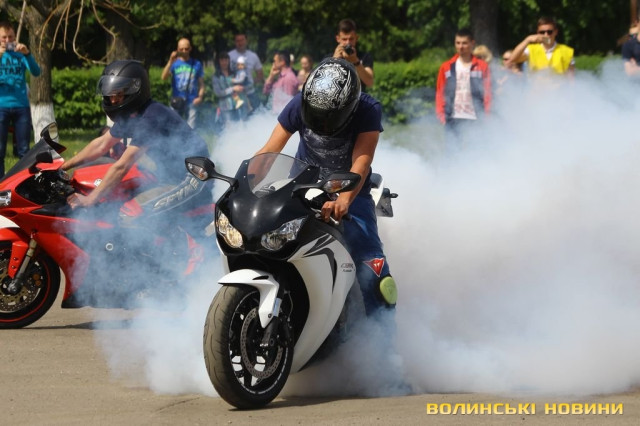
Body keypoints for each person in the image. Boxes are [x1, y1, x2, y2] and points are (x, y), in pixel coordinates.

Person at [255, 58, 397, 319]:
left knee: (373, 268)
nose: (320, 123)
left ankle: (385, 338)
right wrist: (243, 185)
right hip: (301, 185)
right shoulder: (300, 102)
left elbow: (362, 161)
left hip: (351, 191)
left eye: (328, 117)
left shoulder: (368, 109)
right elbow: (269, 151)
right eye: (315, 115)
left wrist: (344, 199)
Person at [62, 60, 210, 217]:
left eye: (118, 94)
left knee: (128, 214)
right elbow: (101, 145)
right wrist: (63, 167)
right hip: (166, 176)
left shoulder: (152, 116)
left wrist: (89, 200)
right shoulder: (132, 115)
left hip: (193, 178)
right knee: (115, 200)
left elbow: (122, 166)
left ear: (134, 92)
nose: (113, 100)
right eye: (110, 94)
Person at [0, 21, 41, 177]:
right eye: (4, 37)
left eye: (11, 37)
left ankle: (23, 182)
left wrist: (27, 54)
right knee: (0, 150)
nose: (8, 40)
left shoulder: (20, 54)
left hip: (21, 106)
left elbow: (36, 72)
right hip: (1, 106)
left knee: (24, 150)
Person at [435, 28, 491, 140]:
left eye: (464, 43)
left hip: (476, 118)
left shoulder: (482, 66)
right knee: (452, 150)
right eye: (458, 43)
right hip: (452, 118)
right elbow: (440, 92)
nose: (461, 47)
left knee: (477, 150)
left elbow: (488, 93)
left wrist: (487, 116)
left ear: (472, 43)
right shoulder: (446, 67)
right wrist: (441, 115)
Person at [507, 16, 575, 76]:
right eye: (542, 32)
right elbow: (513, 59)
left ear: (556, 32)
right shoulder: (530, 50)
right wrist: (527, 40)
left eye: (549, 32)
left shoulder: (567, 51)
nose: (546, 35)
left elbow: (571, 80)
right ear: (537, 33)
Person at [161, 38, 205, 128]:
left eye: (186, 49)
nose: (184, 51)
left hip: (192, 101)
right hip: (177, 100)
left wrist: (200, 97)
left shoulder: (196, 64)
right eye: (181, 49)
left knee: (191, 128)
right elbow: (163, 77)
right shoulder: (174, 63)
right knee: (174, 127)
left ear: (190, 48)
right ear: (177, 49)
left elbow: (201, 84)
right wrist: (170, 61)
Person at [332, 18, 374, 90]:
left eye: (351, 39)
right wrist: (334, 60)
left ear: (356, 38)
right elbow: (324, 81)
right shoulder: (329, 57)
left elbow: (370, 82)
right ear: (338, 39)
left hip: (359, 96)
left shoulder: (364, 56)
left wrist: (356, 62)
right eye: (344, 39)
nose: (348, 43)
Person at [212, 51, 250, 129]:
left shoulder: (235, 73)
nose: (224, 62)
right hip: (226, 108)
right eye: (222, 60)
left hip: (238, 105)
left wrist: (242, 88)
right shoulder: (216, 76)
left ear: (229, 60)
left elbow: (246, 84)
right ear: (219, 61)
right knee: (230, 130)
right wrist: (233, 89)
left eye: (226, 60)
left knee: (242, 128)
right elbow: (218, 93)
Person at [229, 33, 264, 110]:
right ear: (235, 42)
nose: (240, 43)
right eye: (237, 41)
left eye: (242, 40)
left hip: (250, 93)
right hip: (235, 94)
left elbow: (260, 74)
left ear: (246, 41)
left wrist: (251, 82)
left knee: (257, 113)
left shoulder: (253, 56)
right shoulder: (229, 56)